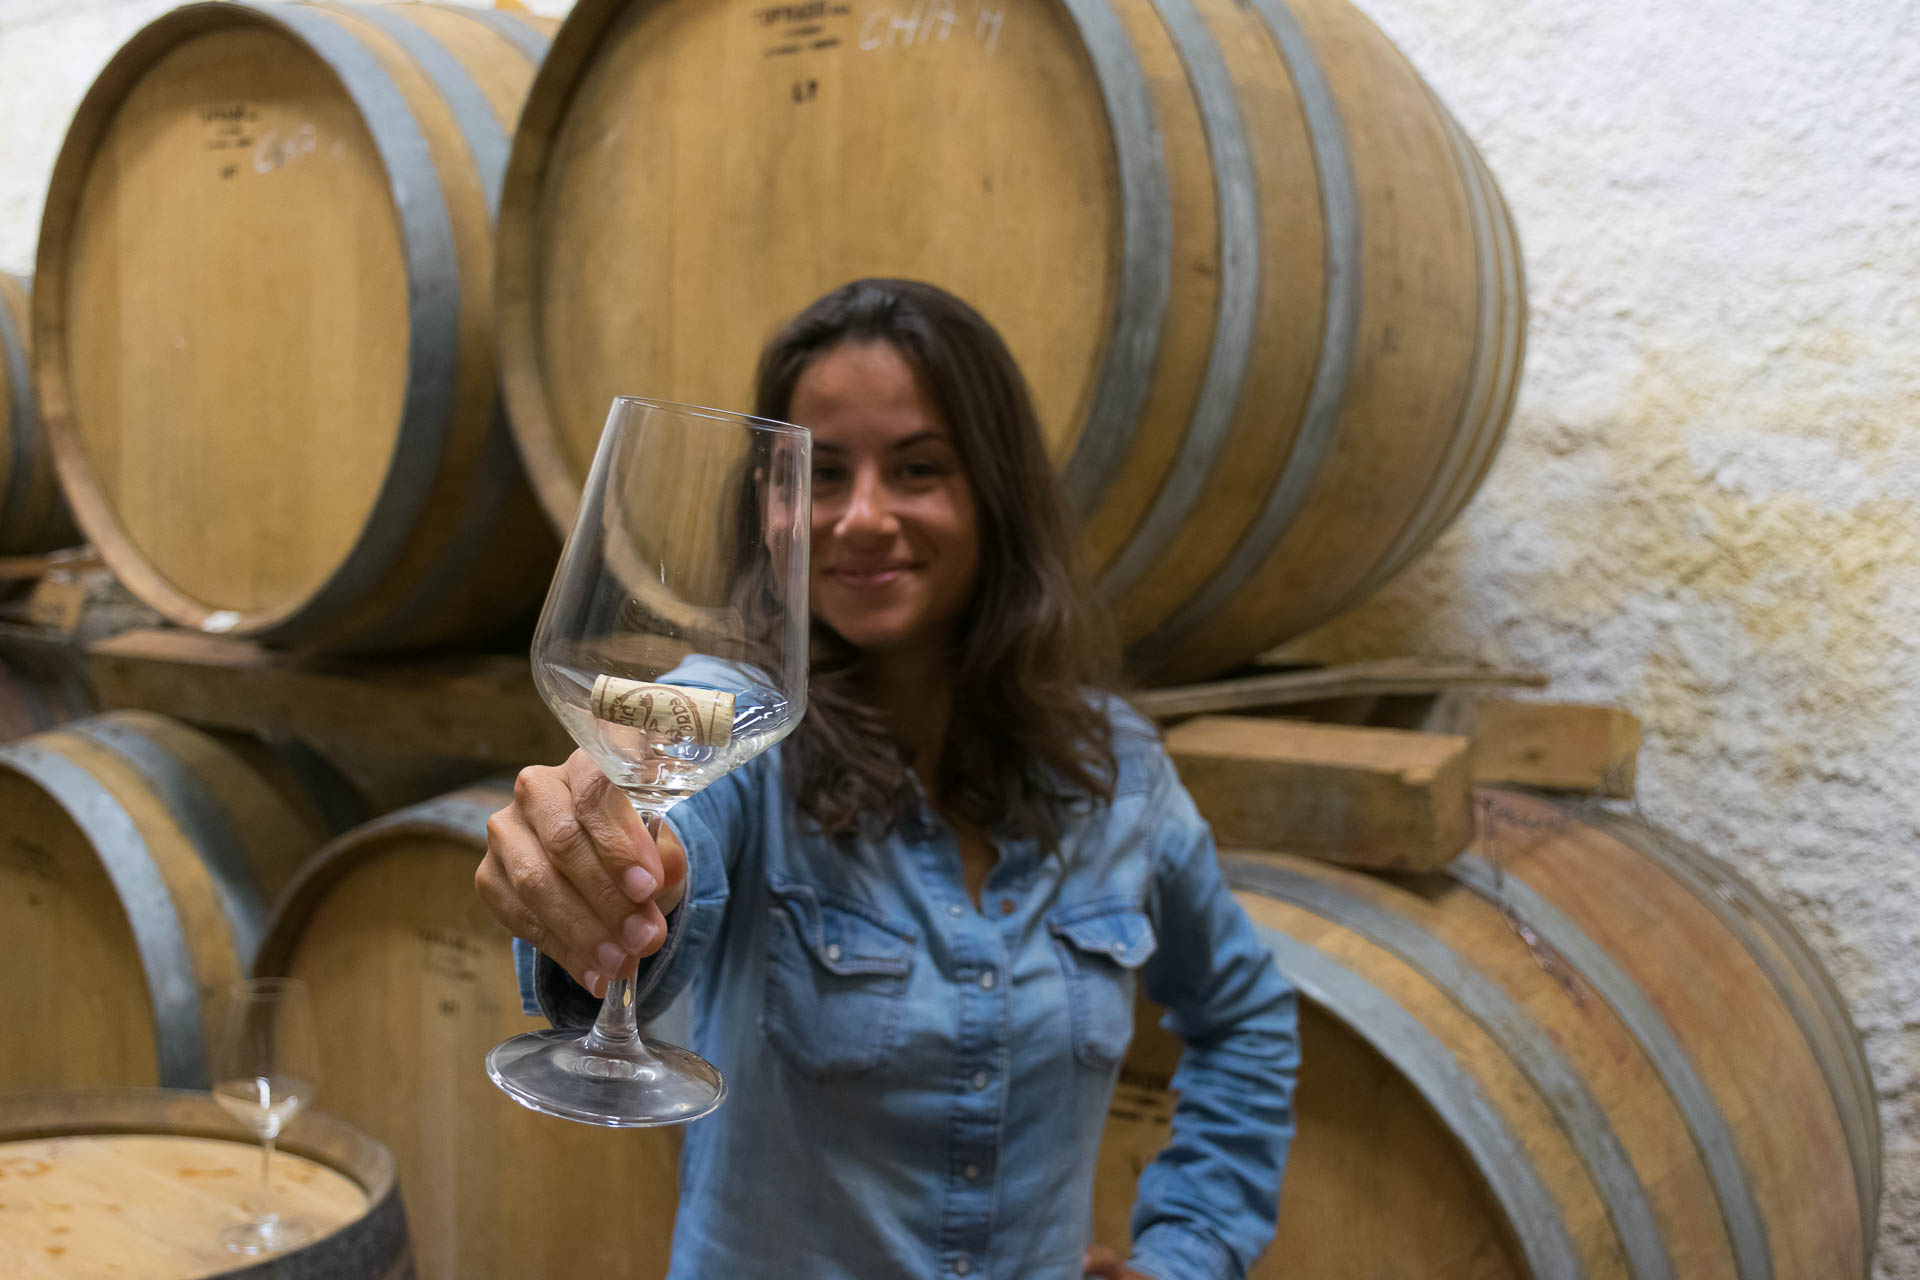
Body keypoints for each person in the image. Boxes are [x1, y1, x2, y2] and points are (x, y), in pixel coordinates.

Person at [476, 278, 1300, 1280]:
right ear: (770, 506)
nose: (863, 516)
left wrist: (1190, 1251)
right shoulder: (746, 710)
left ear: (996, 490)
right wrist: (613, 856)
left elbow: (1245, 1016)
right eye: (821, 475)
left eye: (917, 467)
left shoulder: (1118, 771)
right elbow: (674, 775)